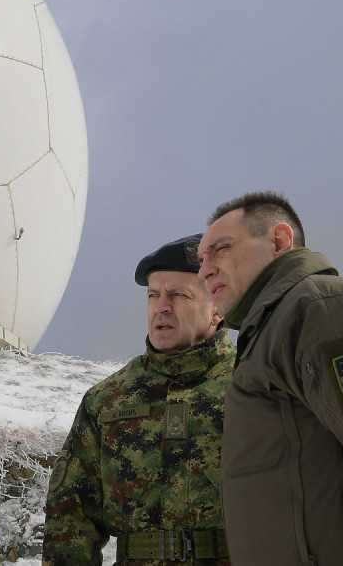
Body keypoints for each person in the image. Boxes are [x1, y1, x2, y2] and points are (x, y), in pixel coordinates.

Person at [197, 191, 343, 564]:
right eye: (201, 260)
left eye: (220, 249)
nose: (204, 270)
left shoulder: (323, 310)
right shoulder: (270, 331)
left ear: (279, 241)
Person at [43, 234, 233, 565]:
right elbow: (71, 518)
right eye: (154, 295)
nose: (162, 306)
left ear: (217, 309)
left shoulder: (254, 386)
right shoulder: (107, 400)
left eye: (179, 295)